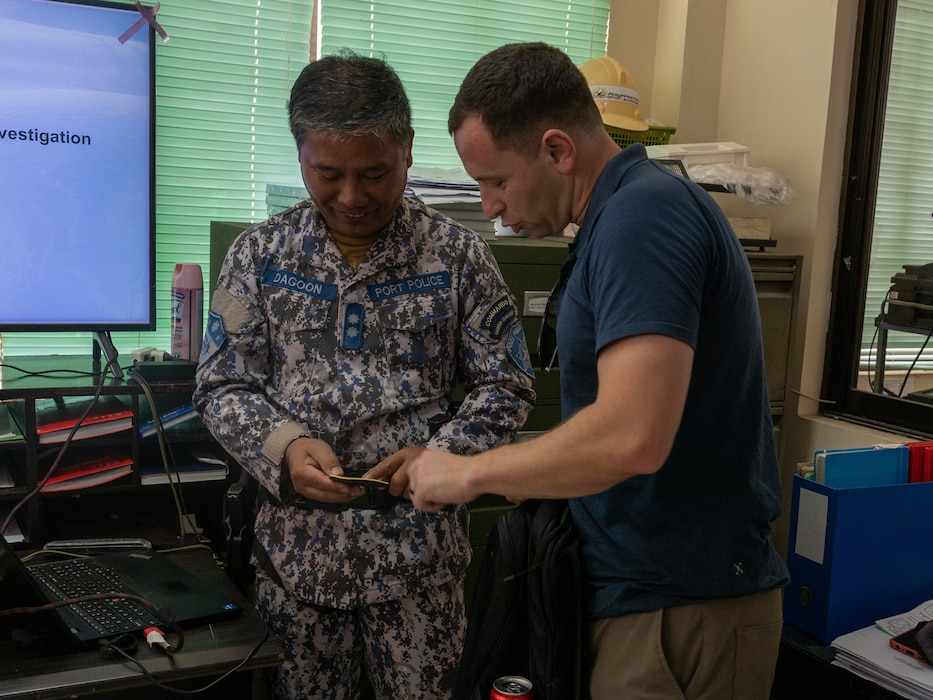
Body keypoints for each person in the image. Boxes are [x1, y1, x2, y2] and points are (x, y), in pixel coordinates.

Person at [405, 42, 790, 699]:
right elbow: (617, 431)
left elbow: (630, 439)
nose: (490, 206)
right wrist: (493, 461)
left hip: (678, 610)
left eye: (496, 181)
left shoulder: (642, 218)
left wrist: (471, 474)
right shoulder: (624, 215)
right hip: (642, 594)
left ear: (557, 150)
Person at [193, 51, 535, 699]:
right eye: (327, 174)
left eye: (374, 173)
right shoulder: (258, 257)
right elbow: (220, 384)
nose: (351, 197)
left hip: (419, 569)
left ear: (406, 149)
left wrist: (446, 453)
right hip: (297, 571)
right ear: (300, 156)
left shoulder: (460, 257)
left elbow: (507, 383)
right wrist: (283, 446)